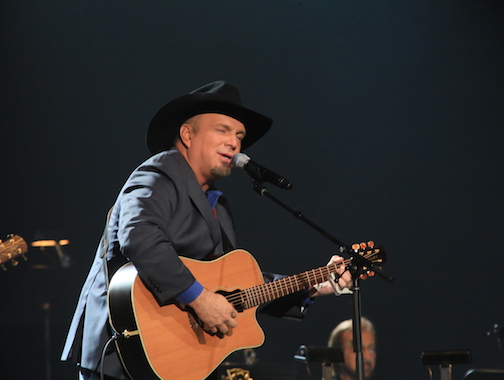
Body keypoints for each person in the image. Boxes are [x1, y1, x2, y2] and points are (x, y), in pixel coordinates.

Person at [60, 81, 352, 380]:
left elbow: (232, 286)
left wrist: (314, 284)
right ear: (188, 134)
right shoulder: (157, 174)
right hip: (124, 351)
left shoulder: (217, 204)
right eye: (222, 130)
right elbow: (140, 236)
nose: (235, 143)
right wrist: (199, 299)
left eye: (239, 135)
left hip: (180, 359)